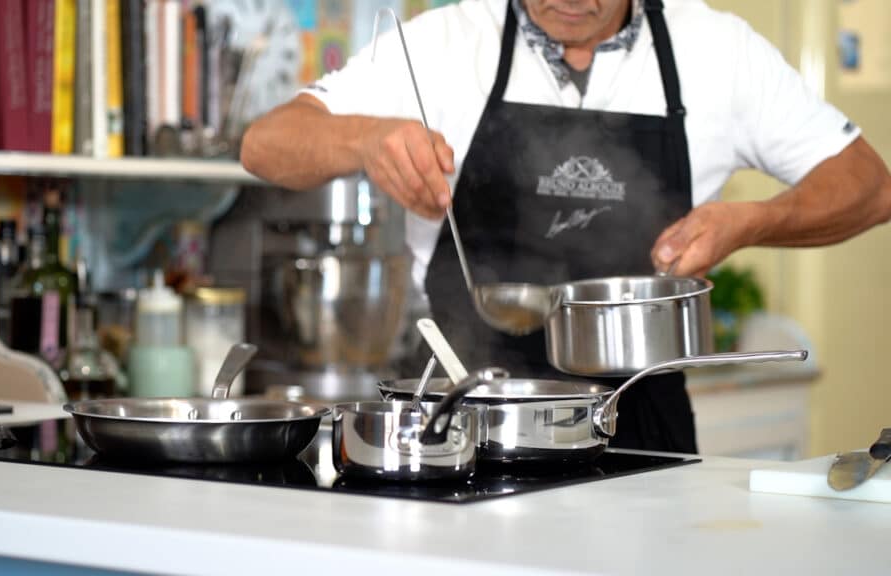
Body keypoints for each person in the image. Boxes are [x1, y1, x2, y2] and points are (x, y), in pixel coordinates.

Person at [240, 0, 891, 453]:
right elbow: (266, 144)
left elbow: (868, 185)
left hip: (642, 426)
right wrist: (364, 138)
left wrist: (754, 222)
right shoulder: (446, 41)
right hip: (466, 423)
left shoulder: (718, 48)